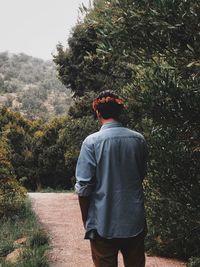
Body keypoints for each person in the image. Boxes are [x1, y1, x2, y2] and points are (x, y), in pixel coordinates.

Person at [75, 90, 147, 267]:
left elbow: (84, 188)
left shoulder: (91, 143)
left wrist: (87, 220)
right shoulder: (138, 140)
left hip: (102, 222)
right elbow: (141, 174)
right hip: (134, 222)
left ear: (97, 112)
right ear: (120, 111)